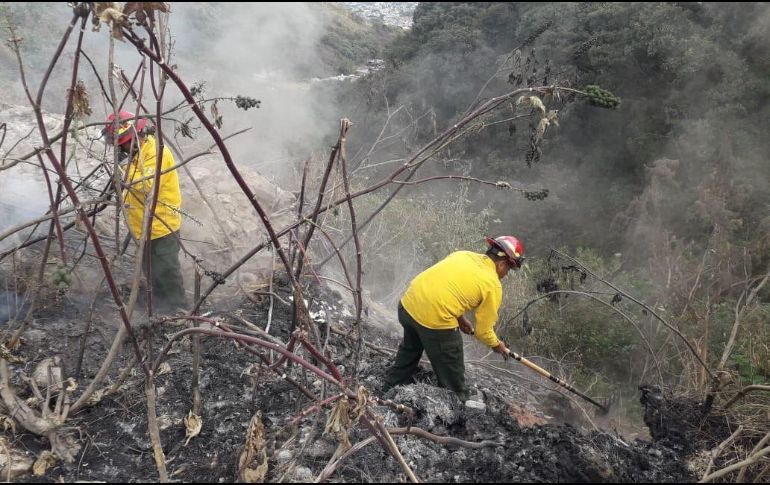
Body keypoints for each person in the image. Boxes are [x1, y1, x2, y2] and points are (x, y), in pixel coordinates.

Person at [383, 236, 525, 402]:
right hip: (434, 321)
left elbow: (444, 288)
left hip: (407, 306)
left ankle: (388, 390)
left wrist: (460, 319)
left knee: (411, 349)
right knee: (451, 360)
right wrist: (496, 345)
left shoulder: (463, 255)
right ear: (502, 264)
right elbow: (483, 331)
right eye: (508, 270)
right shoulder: (492, 285)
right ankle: (457, 401)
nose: (505, 274)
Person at [103, 111, 186, 312]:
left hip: (162, 225)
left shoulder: (157, 153)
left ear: (132, 139)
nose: (119, 148)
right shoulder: (136, 153)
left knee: (167, 270)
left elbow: (145, 184)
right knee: (151, 270)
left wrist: (122, 170)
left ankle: (179, 309)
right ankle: (159, 304)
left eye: (121, 144)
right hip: (143, 225)